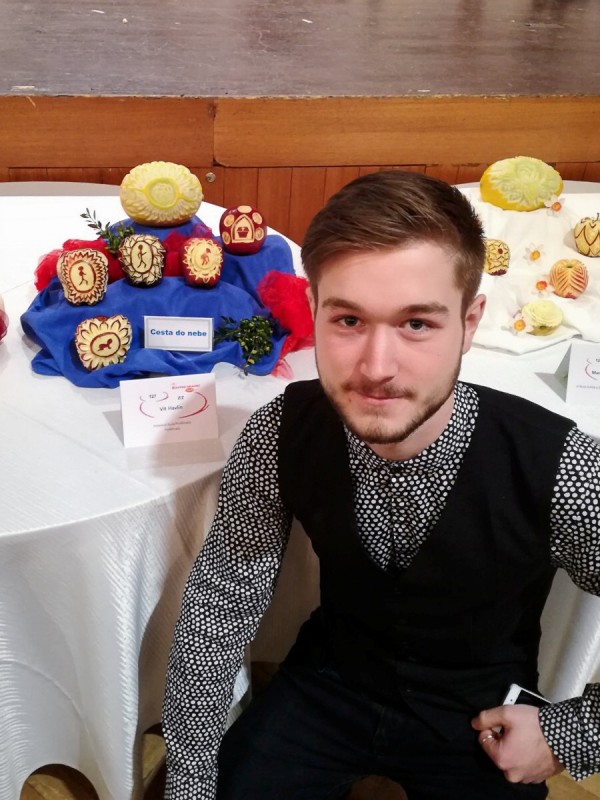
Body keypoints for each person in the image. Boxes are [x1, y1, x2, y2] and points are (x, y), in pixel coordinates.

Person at [163, 170, 600, 800]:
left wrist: (569, 733)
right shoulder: (281, 431)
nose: (376, 367)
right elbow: (220, 604)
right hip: (330, 682)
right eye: (348, 320)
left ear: (470, 322)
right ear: (314, 310)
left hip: (478, 714)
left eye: (416, 324)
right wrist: (190, 779)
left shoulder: (560, 465)